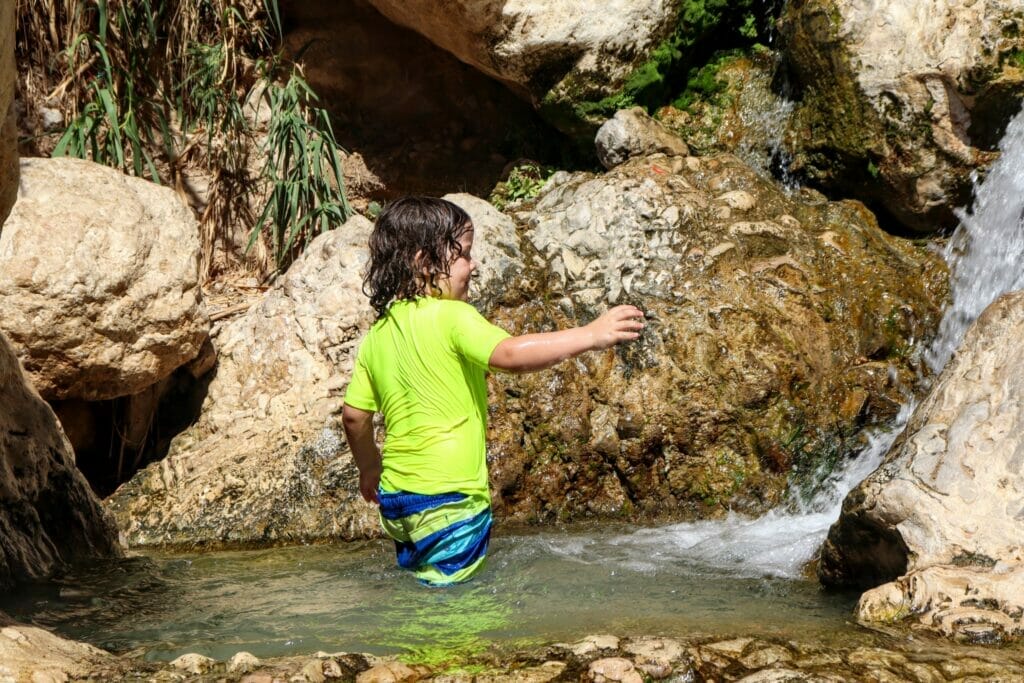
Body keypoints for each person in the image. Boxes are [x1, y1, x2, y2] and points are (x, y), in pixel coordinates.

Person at [342, 196, 644, 586]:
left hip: (398, 499)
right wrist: (590, 334)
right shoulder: (453, 316)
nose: (475, 265)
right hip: (450, 498)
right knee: (453, 605)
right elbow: (510, 354)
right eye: (465, 255)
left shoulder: (377, 336)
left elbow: (354, 416)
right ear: (424, 263)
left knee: (428, 584)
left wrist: (369, 467)